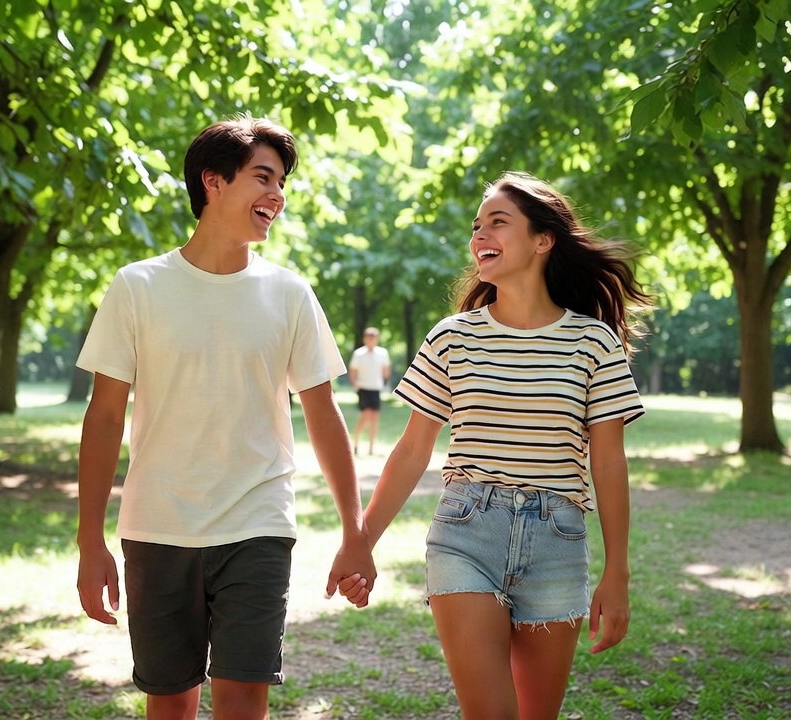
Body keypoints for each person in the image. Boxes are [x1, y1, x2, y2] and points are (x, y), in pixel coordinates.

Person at [75, 115, 375, 720]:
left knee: (243, 699)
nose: (277, 196)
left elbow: (323, 415)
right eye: (263, 178)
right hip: (158, 524)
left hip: (258, 521)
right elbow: (104, 417)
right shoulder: (138, 287)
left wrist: (355, 532)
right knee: (171, 703)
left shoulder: (289, 293)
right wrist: (90, 542)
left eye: (282, 182)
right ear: (212, 182)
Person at [357, 172, 650, 719]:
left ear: (543, 240)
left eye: (497, 222)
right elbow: (412, 449)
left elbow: (608, 462)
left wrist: (618, 573)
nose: (479, 235)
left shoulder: (593, 342)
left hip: (557, 538)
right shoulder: (452, 337)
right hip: (467, 533)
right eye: (476, 226)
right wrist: (362, 539)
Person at [348, 326, 391, 455]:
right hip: (364, 389)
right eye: (368, 337)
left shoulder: (382, 353)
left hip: (376, 389)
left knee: (374, 419)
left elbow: (386, 370)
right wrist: (355, 384)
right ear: (365, 338)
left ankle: (371, 447)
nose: (371, 339)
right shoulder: (359, 354)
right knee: (365, 417)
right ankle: (355, 443)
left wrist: (384, 383)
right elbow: (352, 371)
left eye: (373, 337)